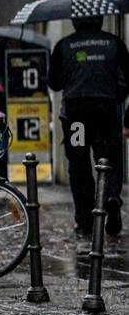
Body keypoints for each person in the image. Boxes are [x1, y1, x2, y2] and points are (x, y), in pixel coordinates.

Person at [48, 15, 129, 237]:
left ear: (75, 22)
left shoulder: (65, 45)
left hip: (76, 115)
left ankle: (85, 220)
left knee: (79, 163)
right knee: (109, 158)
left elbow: (53, 83)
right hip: (105, 112)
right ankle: (111, 196)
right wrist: (117, 96)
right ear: (100, 18)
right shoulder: (113, 43)